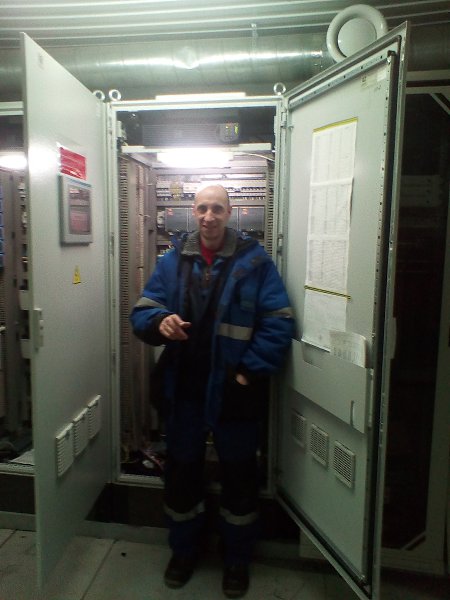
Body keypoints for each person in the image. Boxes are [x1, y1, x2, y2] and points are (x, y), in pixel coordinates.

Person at [130, 184, 294, 598]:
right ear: (193, 211)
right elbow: (144, 310)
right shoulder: (173, 261)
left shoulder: (255, 263)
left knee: (240, 474)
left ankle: (236, 558)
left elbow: (278, 321)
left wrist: (248, 373)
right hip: (183, 387)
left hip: (235, 390)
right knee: (182, 472)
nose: (208, 216)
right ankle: (184, 551)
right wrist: (160, 321)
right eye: (202, 208)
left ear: (230, 212)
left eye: (217, 209)